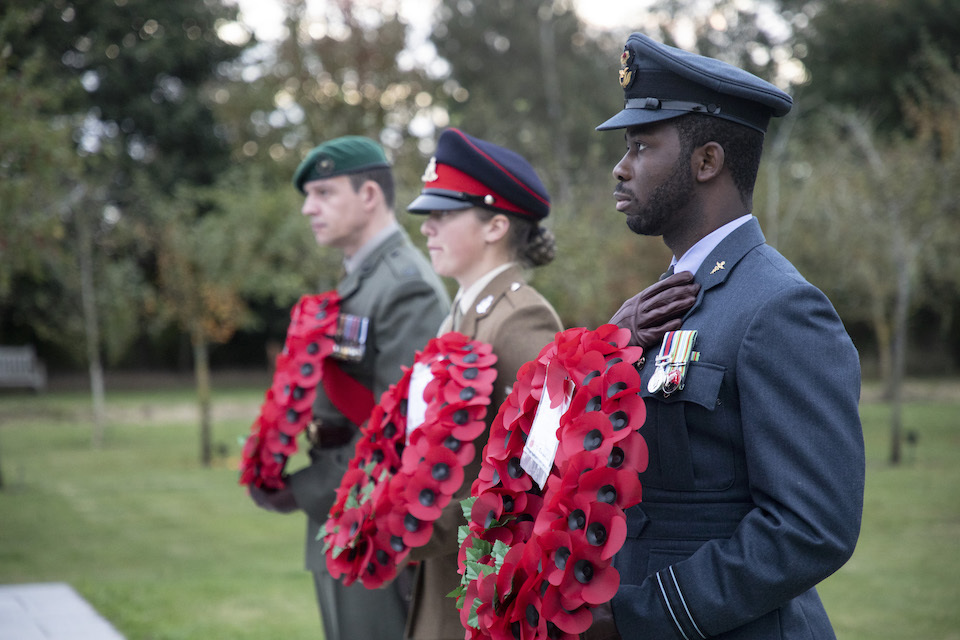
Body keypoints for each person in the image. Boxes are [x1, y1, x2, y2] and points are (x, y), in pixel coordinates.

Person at [591, 33, 866, 640]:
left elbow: (810, 528)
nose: (621, 165)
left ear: (706, 162)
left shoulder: (780, 307)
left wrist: (642, 616)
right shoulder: (655, 303)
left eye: (641, 146)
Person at [249, 135, 450, 640]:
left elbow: (401, 437)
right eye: (308, 196)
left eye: (323, 194)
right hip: (344, 511)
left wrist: (300, 490)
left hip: (372, 525)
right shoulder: (365, 278)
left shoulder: (404, 284)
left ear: (368, 196)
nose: (307, 209)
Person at [401, 128, 565, 640]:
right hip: (444, 581)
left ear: (496, 225)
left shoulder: (520, 319)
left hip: (486, 593)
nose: (427, 228)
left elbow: (543, 473)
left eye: (444, 215)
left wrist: (429, 524)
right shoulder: (461, 314)